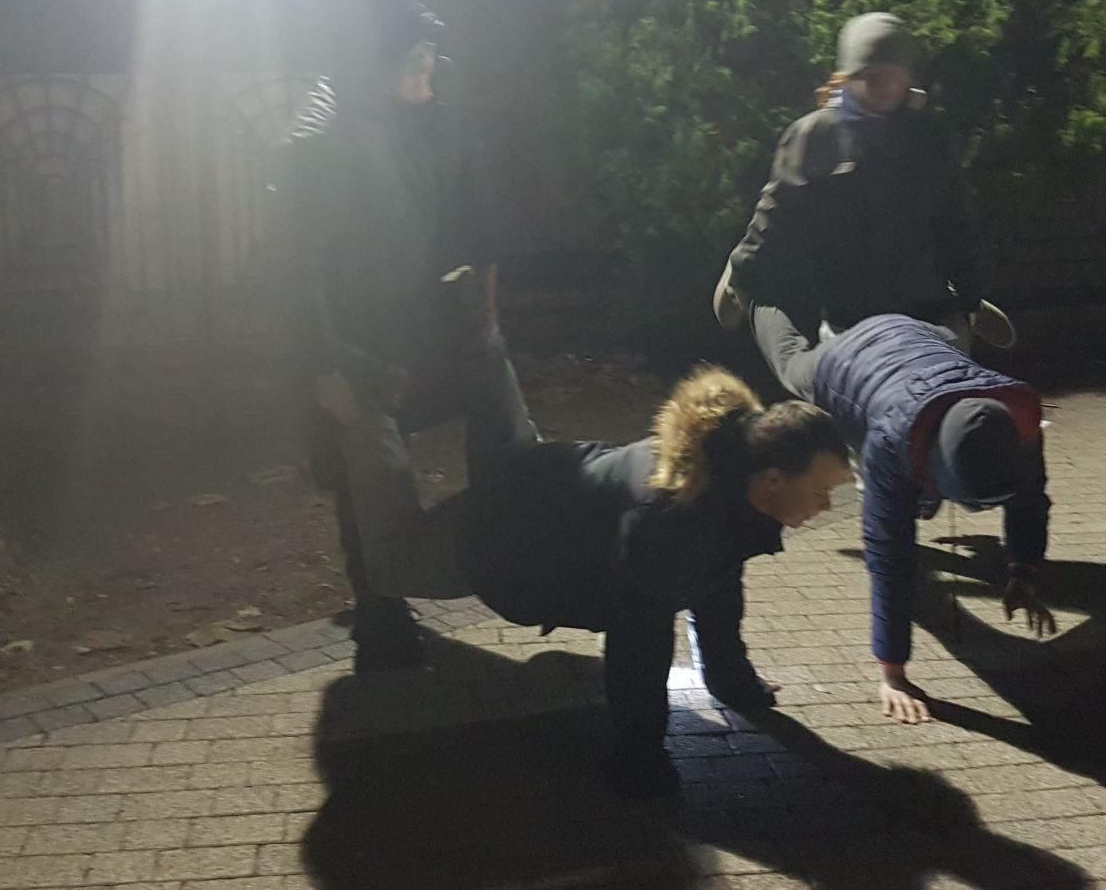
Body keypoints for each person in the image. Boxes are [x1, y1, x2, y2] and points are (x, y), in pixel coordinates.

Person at [361, 329, 852, 798]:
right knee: (385, 565)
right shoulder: (669, 522)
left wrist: (732, 682)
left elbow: (716, 583)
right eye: (821, 491)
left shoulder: (732, 462)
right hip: (495, 541)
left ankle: (477, 328)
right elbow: (639, 646)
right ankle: (365, 413)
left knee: (503, 444)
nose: (828, 505)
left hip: (541, 480)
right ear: (773, 480)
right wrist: (641, 760)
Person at [270, 0, 511, 670]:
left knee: (494, 426)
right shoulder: (314, 144)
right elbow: (295, 269)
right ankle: (380, 609)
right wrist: (323, 367)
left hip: (425, 317)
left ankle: (511, 549)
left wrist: (484, 307)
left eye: (427, 57)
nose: (426, 71)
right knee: (369, 467)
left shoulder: (433, 110)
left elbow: (472, 212)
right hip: (354, 338)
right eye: (410, 61)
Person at [769, 310, 1057, 725]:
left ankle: (965, 311)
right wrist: (893, 674)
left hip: (922, 338)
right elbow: (889, 557)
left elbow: (1030, 500)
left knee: (921, 497)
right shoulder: (890, 442)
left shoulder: (1019, 423)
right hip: (846, 362)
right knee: (789, 363)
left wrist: (1023, 570)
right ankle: (754, 296)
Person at [713, 11, 1012, 399]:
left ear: (907, 76)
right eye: (869, 75)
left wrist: (970, 291)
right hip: (848, 313)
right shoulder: (816, 135)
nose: (882, 85)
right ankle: (740, 285)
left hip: (924, 305)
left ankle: (967, 313)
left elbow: (956, 221)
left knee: (934, 389)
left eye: (892, 74)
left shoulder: (928, 137)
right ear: (848, 77)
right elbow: (777, 214)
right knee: (848, 397)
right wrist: (744, 270)